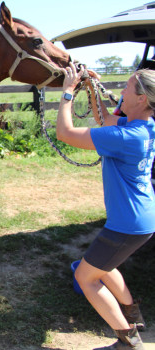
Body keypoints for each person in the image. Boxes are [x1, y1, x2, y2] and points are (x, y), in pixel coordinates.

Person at [56, 64, 155, 350]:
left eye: (126, 87)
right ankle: (133, 316)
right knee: (105, 267)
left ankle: (127, 340)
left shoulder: (126, 138)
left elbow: (65, 132)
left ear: (142, 99)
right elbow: (106, 120)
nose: (121, 90)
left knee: (85, 277)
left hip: (127, 224)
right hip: (141, 220)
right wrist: (90, 87)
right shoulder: (144, 127)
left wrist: (67, 93)